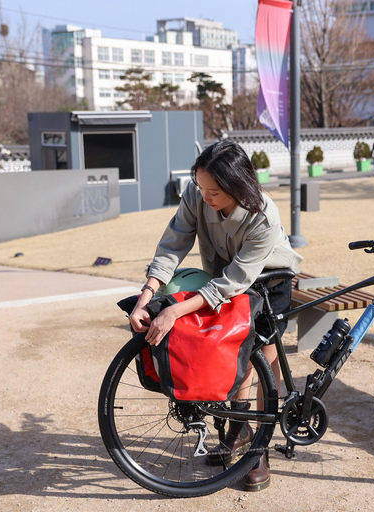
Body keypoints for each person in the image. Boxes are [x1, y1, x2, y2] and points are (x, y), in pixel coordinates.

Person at [129, 140, 303, 492]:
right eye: (201, 186)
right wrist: (145, 296)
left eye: (215, 191)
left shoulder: (263, 215)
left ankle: (258, 449)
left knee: (260, 366)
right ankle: (239, 431)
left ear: (238, 187)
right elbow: (172, 243)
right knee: (232, 359)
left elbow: (235, 282)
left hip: (268, 279)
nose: (205, 196)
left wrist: (176, 310)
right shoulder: (197, 195)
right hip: (222, 276)